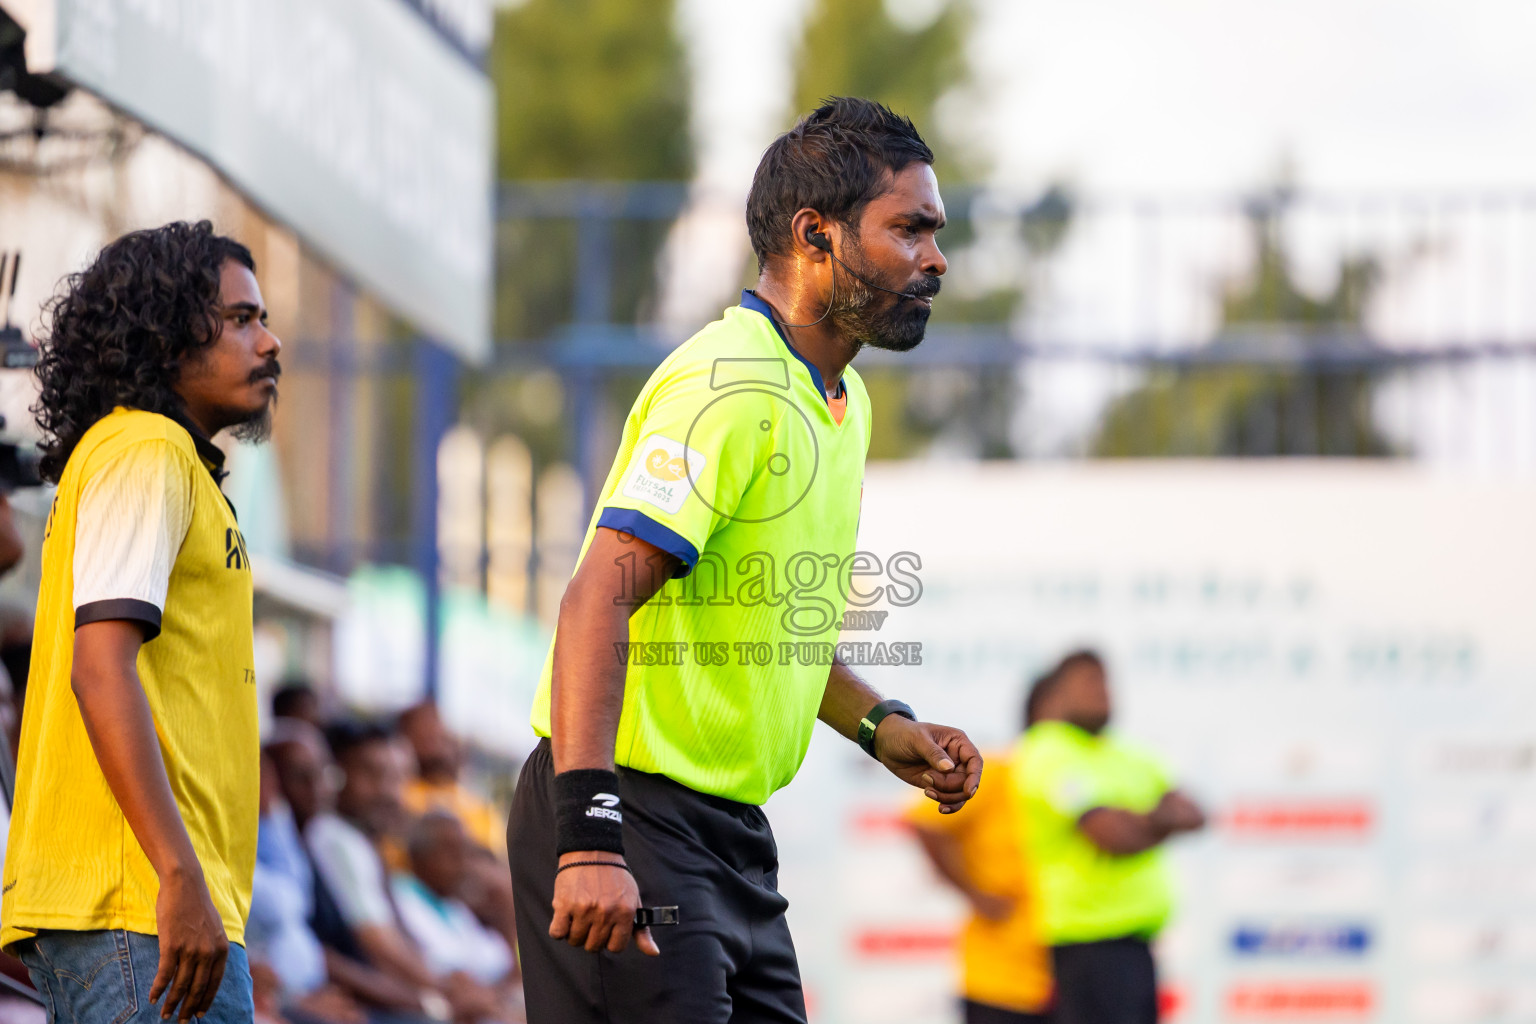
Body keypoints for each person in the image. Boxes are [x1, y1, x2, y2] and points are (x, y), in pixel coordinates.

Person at [509, 97, 982, 1024]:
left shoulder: (840, 403)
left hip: (728, 840)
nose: (936, 259)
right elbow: (595, 598)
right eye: (911, 229)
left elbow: (773, 626)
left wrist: (883, 725)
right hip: (627, 819)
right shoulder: (725, 386)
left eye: (936, 233)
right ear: (816, 234)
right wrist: (589, 838)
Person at [2, 221, 282, 1024]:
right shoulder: (145, 450)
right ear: (163, 331)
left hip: (143, 904)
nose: (268, 343)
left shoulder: (163, 461)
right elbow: (100, 669)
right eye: (240, 319)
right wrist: (178, 875)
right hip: (135, 903)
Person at [1012, 651, 1205, 1024]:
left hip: (1137, 944)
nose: (1102, 692)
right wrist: (1159, 819)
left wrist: (1140, 820)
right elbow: (1112, 836)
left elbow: (1196, 814)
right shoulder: (1047, 750)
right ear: (1058, 694)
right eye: (1088, 682)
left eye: (1105, 681)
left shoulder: (1126, 751)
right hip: (1087, 946)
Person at [307, 723, 498, 1024]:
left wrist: (446, 987)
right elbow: (379, 945)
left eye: (396, 778)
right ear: (337, 775)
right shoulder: (335, 837)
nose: (388, 792)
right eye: (372, 775)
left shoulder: (366, 845)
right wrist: (442, 997)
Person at [905, 678, 1055, 1024]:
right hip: (1002, 979)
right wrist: (973, 892)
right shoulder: (1004, 771)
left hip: (1074, 971)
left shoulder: (1089, 780)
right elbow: (924, 820)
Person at [391, 814, 517, 997]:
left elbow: (501, 966)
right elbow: (447, 968)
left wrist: (504, 909)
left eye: (464, 851)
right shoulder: (402, 896)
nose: (462, 862)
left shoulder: (454, 906)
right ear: (418, 856)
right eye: (450, 851)